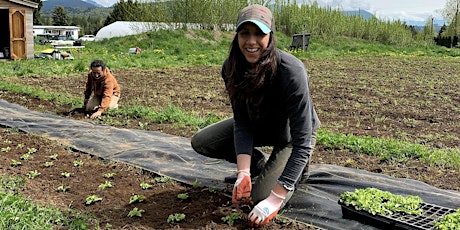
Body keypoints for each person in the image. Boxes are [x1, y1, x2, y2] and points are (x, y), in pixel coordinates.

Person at [191, 4, 320, 227]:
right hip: (259, 123)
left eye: (259, 33)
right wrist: (243, 172)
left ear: (270, 35)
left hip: (292, 135)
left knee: (261, 198)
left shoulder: (291, 71)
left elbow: (303, 140)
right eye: (245, 33)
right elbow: (241, 122)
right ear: (237, 35)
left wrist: (276, 197)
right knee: (202, 141)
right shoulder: (231, 68)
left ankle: (295, 172)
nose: (251, 41)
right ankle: (260, 166)